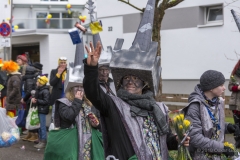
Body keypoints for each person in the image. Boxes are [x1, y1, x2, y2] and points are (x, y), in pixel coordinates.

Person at [83, 41, 190, 160]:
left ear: (144, 84)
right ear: (121, 83)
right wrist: (91, 68)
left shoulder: (157, 108)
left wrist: (176, 140)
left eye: (135, 79)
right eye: (127, 78)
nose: (130, 82)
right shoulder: (114, 105)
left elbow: (165, 140)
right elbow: (93, 93)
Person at [183, 70, 240, 159]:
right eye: (221, 85)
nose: (224, 88)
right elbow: (195, 138)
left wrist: (228, 127)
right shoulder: (195, 106)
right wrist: (222, 148)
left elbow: (212, 125)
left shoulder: (218, 102)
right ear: (211, 88)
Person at [32, 75, 50, 149]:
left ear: (41, 83)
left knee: (42, 126)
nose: (36, 82)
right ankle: (40, 139)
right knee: (39, 125)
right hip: (39, 109)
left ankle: (43, 141)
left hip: (42, 110)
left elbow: (46, 101)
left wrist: (37, 101)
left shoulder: (45, 91)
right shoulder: (39, 89)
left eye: (38, 81)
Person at [228, 60, 240, 148]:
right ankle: (238, 144)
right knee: (237, 126)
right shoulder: (235, 75)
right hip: (236, 104)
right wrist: (237, 87)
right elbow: (230, 86)